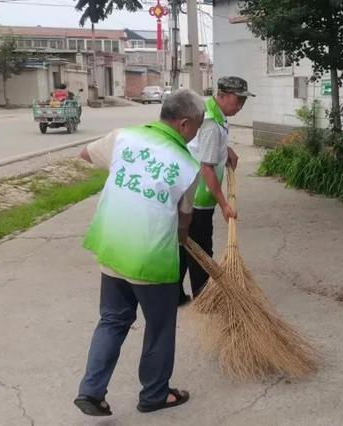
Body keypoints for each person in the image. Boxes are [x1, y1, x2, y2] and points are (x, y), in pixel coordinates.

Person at [73, 89, 204, 416]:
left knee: (113, 319)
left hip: (113, 246)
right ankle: (154, 395)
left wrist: (128, 177)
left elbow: (85, 154)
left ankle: (91, 392)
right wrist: (182, 234)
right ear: (185, 124)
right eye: (198, 127)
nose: (197, 133)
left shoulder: (123, 137)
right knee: (159, 327)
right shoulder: (187, 166)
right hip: (151, 258)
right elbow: (185, 217)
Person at [178, 76, 255, 305]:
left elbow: (206, 147)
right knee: (202, 246)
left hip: (189, 191)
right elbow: (207, 169)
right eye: (237, 100)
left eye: (243, 101)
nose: (240, 106)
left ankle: (175, 295)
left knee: (186, 243)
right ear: (222, 95)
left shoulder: (213, 113)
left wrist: (226, 148)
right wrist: (224, 204)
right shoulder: (211, 122)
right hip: (199, 195)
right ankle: (204, 296)